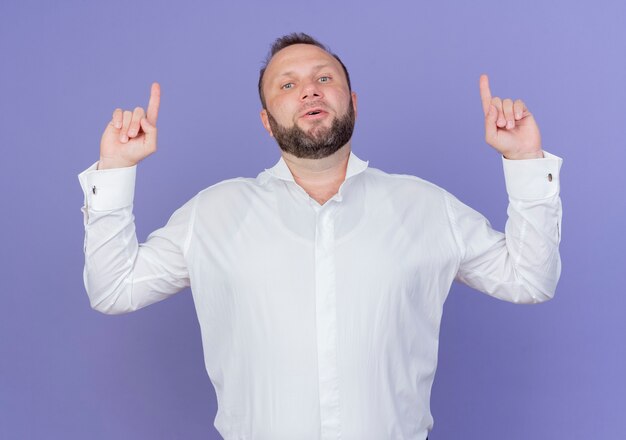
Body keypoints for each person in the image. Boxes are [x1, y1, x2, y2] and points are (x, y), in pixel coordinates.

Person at [78, 33, 562, 440]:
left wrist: (524, 161)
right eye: (288, 85)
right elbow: (114, 290)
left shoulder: (427, 207)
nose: (310, 91)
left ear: (353, 103)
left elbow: (529, 280)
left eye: (324, 78)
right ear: (267, 123)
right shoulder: (212, 213)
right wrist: (116, 170)